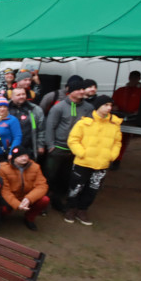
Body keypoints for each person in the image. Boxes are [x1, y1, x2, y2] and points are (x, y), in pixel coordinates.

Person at [65, 95, 122, 226]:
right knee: (76, 187)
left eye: (110, 105)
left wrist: (111, 156)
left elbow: (117, 143)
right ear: (98, 106)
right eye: (106, 105)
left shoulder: (114, 124)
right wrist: (82, 153)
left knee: (93, 189)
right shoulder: (84, 122)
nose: (109, 108)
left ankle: (82, 210)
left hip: (101, 163)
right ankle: (71, 209)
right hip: (83, 162)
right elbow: (73, 140)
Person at [44, 77, 93, 212]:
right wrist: (50, 145)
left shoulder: (88, 108)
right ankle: (44, 202)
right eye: (78, 89)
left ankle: (58, 201)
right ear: (70, 91)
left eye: (83, 89)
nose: (82, 92)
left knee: (66, 178)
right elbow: (50, 126)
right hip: (57, 149)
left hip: (74, 151)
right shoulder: (59, 107)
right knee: (50, 177)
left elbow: (89, 129)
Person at [0, 146, 50, 230]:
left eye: (26, 155)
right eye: (20, 156)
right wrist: (17, 204)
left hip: (27, 195)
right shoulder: (3, 169)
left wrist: (29, 198)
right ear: (14, 158)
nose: (24, 158)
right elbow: (5, 191)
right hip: (12, 196)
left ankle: (29, 218)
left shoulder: (35, 167)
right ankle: (1, 215)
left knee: (45, 200)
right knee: (3, 209)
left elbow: (42, 186)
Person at [8, 87, 47, 160]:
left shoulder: (35, 109)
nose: (21, 96)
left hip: (28, 147)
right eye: (18, 95)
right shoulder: (5, 108)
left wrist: (40, 145)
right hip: (8, 146)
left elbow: (41, 129)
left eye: (23, 94)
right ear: (12, 97)